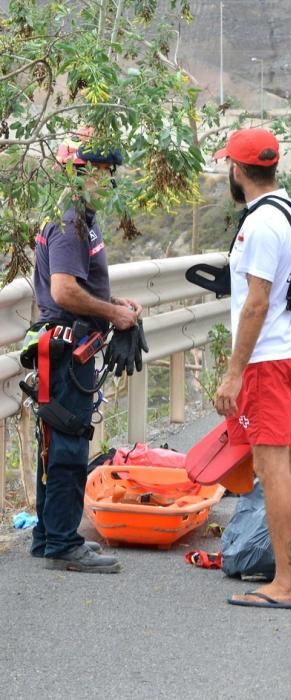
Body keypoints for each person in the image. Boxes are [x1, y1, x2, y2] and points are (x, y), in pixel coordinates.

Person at [29, 130, 142, 573]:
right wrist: (111, 316)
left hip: (69, 345)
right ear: (83, 170)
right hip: (65, 349)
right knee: (68, 445)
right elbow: (64, 290)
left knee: (57, 442)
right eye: (104, 171)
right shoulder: (70, 220)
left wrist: (115, 305)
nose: (110, 180)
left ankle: (48, 536)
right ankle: (61, 544)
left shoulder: (82, 217)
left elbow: (81, 287)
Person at [214, 128, 291, 609]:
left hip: (267, 361)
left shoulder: (258, 225)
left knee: (271, 469)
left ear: (237, 169)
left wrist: (234, 371)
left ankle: (284, 585)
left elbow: (256, 303)